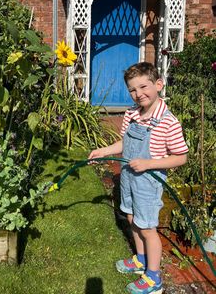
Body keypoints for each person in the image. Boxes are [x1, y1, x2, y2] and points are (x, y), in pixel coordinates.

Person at [88, 62, 188, 294]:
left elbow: (180, 157)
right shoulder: (132, 113)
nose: (138, 94)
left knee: (147, 228)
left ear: (159, 85)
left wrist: (149, 164)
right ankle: (140, 260)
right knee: (133, 219)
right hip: (129, 178)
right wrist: (104, 151)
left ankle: (154, 279)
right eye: (132, 89)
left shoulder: (168, 121)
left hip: (148, 183)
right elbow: (126, 142)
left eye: (144, 87)